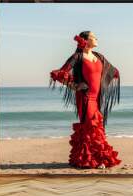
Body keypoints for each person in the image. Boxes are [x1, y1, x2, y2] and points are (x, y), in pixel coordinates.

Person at [49, 31, 122, 169]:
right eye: (93, 37)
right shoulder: (77, 56)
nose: (96, 38)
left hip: (97, 98)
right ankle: (96, 160)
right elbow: (60, 74)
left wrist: (113, 73)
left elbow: (111, 71)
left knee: (97, 127)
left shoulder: (99, 56)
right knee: (90, 126)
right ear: (85, 40)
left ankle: (87, 159)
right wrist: (75, 86)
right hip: (86, 97)